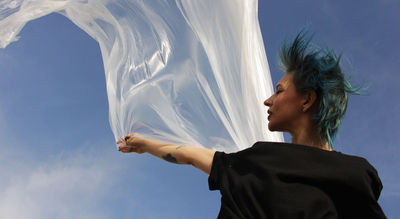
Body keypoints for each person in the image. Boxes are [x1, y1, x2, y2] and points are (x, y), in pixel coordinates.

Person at [117, 31, 386, 218]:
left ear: (307, 100)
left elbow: (191, 156)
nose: (268, 100)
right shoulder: (260, 160)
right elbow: (190, 154)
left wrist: (144, 144)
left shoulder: (355, 174)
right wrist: (144, 143)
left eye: (279, 91)